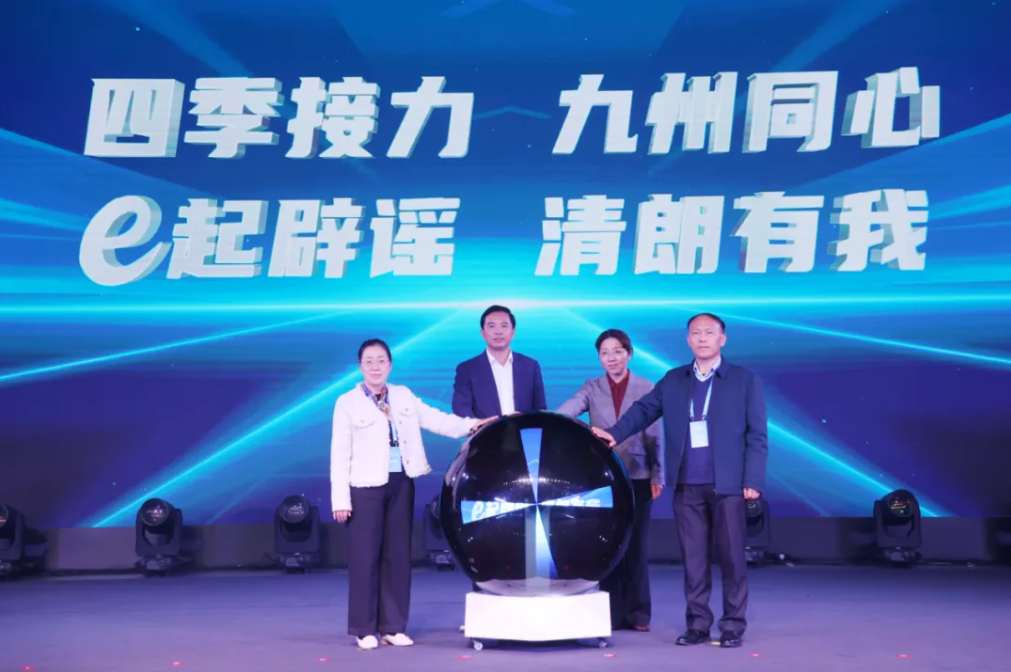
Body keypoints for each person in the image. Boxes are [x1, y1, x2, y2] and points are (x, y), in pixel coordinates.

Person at [591, 314, 768, 649]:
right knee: (694, 560)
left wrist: (753, 479)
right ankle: (698, 624)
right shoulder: (674, 380)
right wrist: (614, 434)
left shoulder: (744, 380)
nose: (702, 338)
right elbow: (643, 410)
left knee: (732, 559)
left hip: (729, 485)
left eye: (709, 333)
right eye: (695, 333)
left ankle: (732, 625)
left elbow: (757, 435)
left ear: (722, 339)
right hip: (687, 485)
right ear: (688, 340)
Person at [331, 338, 496, 650]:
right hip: (364, 487)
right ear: (360, 366)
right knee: (365, 557)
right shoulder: (347, 402)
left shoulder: (403, 395)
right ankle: (364, 629)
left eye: (381, 361)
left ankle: (393, 627)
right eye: (369, 361)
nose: (376, 367)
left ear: (390, 365)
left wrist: (473, 425)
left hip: (401, 482)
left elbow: (436, 419)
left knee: (397, 556)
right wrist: (341, 499)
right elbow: (339, 453)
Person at [556, 329, 664, 632]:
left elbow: (655, 436)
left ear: (629, 354)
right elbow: (566, 411)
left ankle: (639, 613)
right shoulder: (592, 387)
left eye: (617, 351)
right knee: (607, 545)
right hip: (603, 477)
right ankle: (612, 613)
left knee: (636, 545)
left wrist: (658, 474)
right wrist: (549, 420)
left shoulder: (647, 387)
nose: (611, 358)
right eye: (604, 353)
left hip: (639, 474)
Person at [452, 305, 547, 418]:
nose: (498, 331)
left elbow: (540, 410)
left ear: (513, 332)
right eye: (492, 326)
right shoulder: (467, 369)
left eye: (504, 326)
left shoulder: (530, 366)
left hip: (523, 429)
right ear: (483, 333)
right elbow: (461, 408)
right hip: (486, 429)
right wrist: (480, 426)